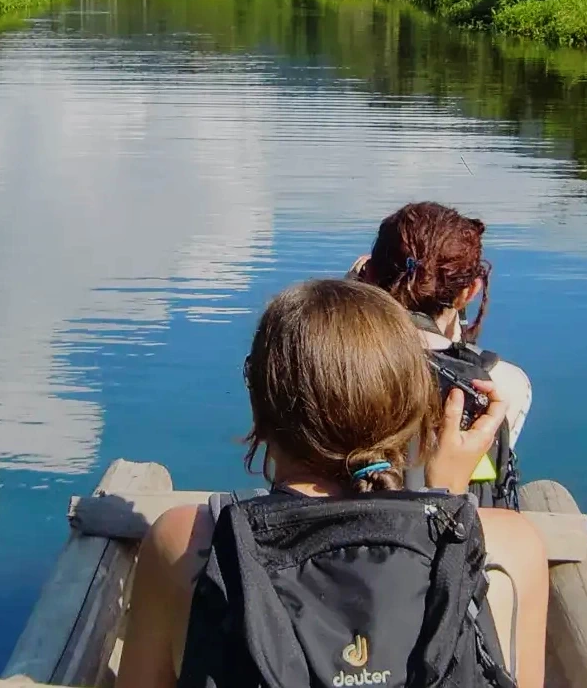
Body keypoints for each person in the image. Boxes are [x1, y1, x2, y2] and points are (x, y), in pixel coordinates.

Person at [118, 280, 548, 688]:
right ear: (412, 407)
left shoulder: (185, 543)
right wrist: (447, 502)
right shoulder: (511, 545)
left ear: (261, 404)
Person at [351, 203, 532, 507]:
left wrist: (351, 294)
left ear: (368, 275)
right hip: (453, 526)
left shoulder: (324, 359)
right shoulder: (504, 382)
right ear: (469, 292)